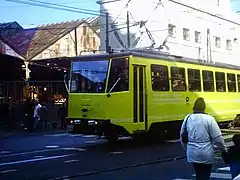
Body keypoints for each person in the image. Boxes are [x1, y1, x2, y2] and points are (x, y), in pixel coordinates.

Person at [180, 97, 227, 180]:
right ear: (204, 107)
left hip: (192, 153)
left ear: (194, 107)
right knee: (205, 174)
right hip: (206, 153)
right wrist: (223, 151)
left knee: (198, 173)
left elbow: (182, 137)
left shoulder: (187, 118)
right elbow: (218, 139)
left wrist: (187, 149)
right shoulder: (209, 119)